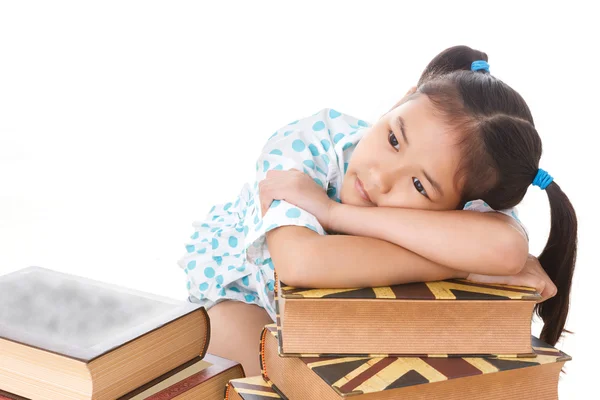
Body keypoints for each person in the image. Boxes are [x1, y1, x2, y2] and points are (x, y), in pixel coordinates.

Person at [178, 45, 576, 376]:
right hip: (254, 299)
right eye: (393, 138)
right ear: (401, 100)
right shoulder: (313, 143)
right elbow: (300, 264)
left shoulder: (469, 197)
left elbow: (506, 251)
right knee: (244, 364)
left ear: (465, 202)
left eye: (420, 185)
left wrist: (335, 214)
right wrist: (461, 266)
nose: (381, 177)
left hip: (353, 326)